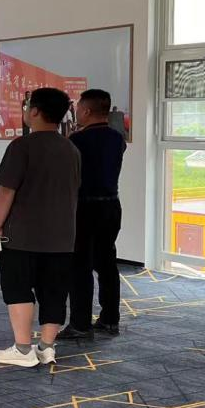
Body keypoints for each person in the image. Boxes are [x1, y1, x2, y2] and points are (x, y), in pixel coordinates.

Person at [0, 87, 81, 368]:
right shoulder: (71, 149)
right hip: (62, 236)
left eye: (28, 106)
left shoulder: (21, 146)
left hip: (22, 235)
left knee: (18, 288)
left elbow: (7, 190)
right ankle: (47, 347)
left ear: (35, 111)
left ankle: (22, 348)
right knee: (54, 290)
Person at [59, 89, 126, 339]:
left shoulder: (76, 140)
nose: (76, 112)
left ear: (86, 111)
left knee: (80, 266)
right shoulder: (117, 138)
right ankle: (110, 319)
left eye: (78, 108)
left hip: (84, 207)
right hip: (111, 206)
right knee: (107, 263)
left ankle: (80, 324)